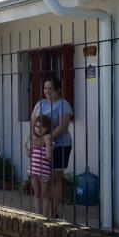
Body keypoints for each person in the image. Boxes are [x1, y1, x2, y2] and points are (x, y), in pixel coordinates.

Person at [31, 77, 73, 219]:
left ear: (58, 90)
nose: (47, 91)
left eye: (50, 88)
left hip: (60, 145)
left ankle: (53, 211)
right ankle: (43, 212)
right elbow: (33, 123)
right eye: (45, 88)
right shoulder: (40, 104)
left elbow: (63, 126)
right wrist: (35, 138)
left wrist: (46, 140)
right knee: (43, 178)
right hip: (42, 147)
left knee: (55, 178)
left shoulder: (63, 104)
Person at [24, 115, 53, 217]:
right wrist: (25, 145)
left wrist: (48, 142)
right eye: (36, 126)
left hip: (44, 173)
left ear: (47, 128)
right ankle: (37, 214)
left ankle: (44, 216)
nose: (39, 129)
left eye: (42, 127)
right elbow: (29, 155)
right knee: (36, 194)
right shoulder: (35, 141)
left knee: (45, 195)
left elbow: (48, 156)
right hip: (33, 171)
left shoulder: (48, 141)